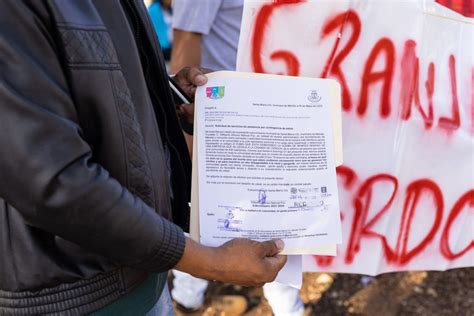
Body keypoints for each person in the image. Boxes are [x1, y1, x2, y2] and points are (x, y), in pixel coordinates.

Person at [0, 1, 287, 315]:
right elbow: (54, 181)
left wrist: (167, 98)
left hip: (140, 270)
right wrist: (207, 261)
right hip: (76, 295)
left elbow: (95, 88)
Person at [170, 1, 305, 315]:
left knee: (279, 219)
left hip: (282, 111)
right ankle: (188, 299)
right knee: (203, 223)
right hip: (225, 118)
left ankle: (288, 306)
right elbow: (186, 37)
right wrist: (187, 133)